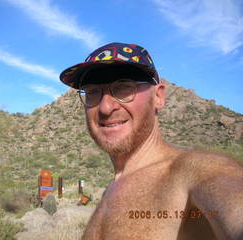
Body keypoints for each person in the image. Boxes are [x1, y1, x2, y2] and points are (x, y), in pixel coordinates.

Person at [59, 42, 243, 240]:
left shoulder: (197, 170)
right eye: (93, 91)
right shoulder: (110, 190)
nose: (105, 108)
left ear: (158, 96)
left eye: (123, 88)